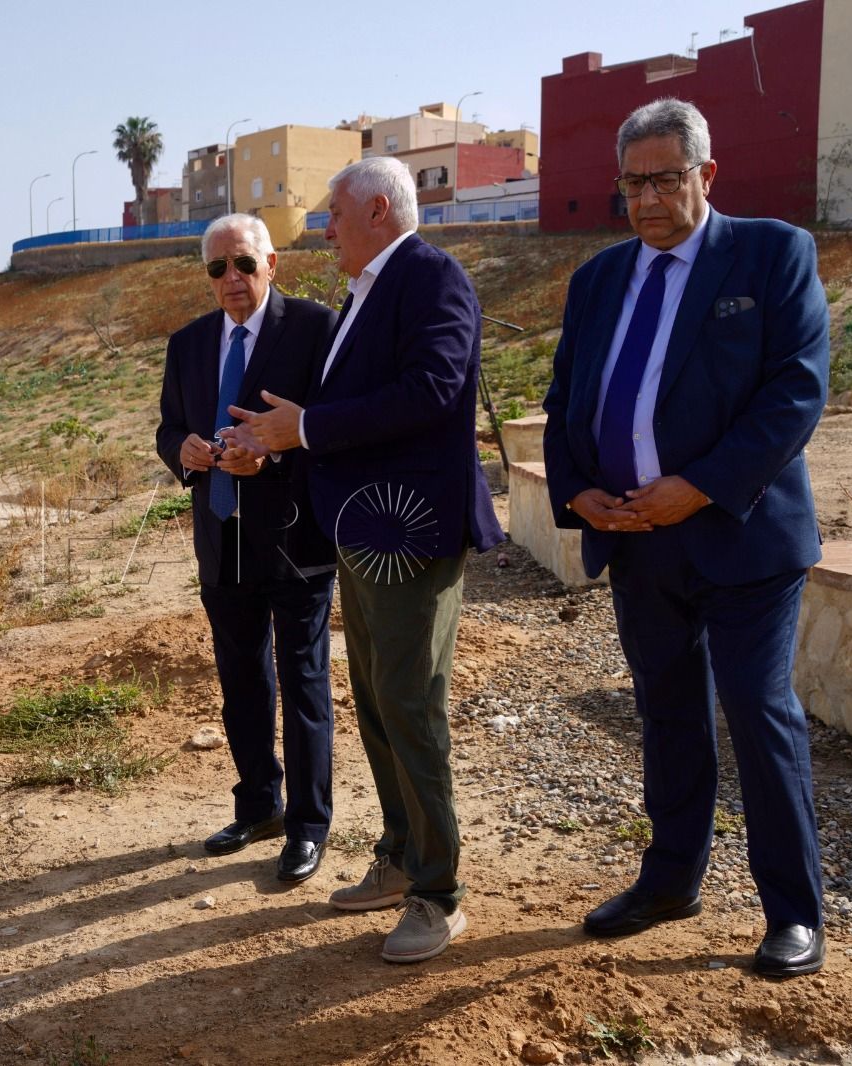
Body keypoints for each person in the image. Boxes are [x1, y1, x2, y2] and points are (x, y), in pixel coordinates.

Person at [541, 98, 828, 978]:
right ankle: (671, 880)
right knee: (667, 713)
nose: (648, 199)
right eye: (633, 182)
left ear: (707, 175)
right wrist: (578, 490)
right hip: (638, 538)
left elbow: (796, 392)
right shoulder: (598, 280)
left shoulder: (773, 253)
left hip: (743, 536)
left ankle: (793, 913)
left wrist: (696, 487)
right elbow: (566, 402)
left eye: (666, 178)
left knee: (757, 711)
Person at [231, 157, 503, 963]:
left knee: (410, 702)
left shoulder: (432, 279)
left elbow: (431, 391)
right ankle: (401, 856)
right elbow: (350, 406)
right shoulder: (370, 289)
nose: (324, 228)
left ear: (379, 210)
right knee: (379, 701)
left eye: (334, 216)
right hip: (367, 532)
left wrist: (305, 429)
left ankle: (439, 893)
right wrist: (275, 440)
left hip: (411, 532)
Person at [155, 213, 339, 883]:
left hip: (296, 543)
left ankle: (308, 825)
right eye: (217, 269)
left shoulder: (315, 330)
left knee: (303, 682)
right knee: (241, 684)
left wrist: (271, 463)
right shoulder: (189, 344)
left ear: (272, 264)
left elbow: (334, 433)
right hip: (221, 541)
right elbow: (168, 426)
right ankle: (259, 803)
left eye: (243, 264)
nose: (231, 279)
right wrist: (184, 449)